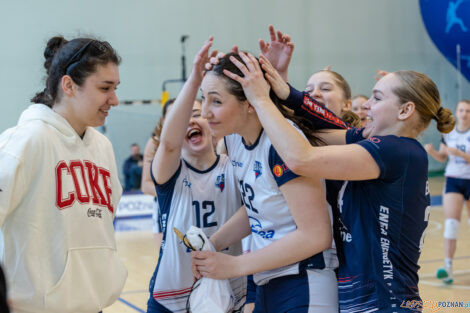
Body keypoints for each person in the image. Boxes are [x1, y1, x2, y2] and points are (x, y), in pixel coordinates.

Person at [223, 48, 455, 312]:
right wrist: (283, 91)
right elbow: (309, 134)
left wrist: (261, 100)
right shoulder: (378, 144)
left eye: (377, 98)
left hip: (385, 299)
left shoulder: (399, 150)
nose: (366, 104)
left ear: (405, 110)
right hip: (361, 297)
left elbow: (301, 158)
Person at [192, 51, 338, 313]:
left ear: (250, 102)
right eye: (204, 99)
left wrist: (234, 265)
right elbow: (259, 207)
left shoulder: (282, 144)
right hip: (267, 279)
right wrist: (212, 244)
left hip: (303, 280)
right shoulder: (234, 139)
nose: (205, 112)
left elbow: (316, 235)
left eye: (216, 101)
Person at [0, 36, 127, 313]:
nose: (114, 100)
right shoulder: (26, 141)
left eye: (115, 88)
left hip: (94, 306)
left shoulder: (103, 147)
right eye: (105, 88)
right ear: (68, 85)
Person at [147, 38, 245, 313]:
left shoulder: (234, 164)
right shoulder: (170, 171)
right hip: (170, 295)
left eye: (196, 112)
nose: (190, 121)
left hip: (226, 293)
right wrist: (195, 79)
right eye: (181, 118)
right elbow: (168, 143)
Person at [425, 99, 470, 284]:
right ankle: (448, 267)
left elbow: (458, 154)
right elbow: (443, 157)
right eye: (461, 110)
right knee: (451, 224)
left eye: (468, 110)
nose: (464, 113)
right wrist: (433, 152)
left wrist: (460, 154)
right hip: (453, 179)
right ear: (457, 112)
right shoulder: (449, 133)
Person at [141, 99, 176, 248]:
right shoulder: (155, 142)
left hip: (198, 206)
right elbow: (146, 185)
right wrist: (178, 193)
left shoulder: (200, 138)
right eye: (172, 113)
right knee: (166, 259)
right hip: (165, 207)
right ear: (163, 119)